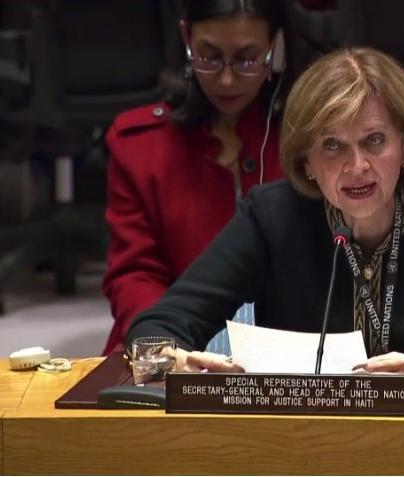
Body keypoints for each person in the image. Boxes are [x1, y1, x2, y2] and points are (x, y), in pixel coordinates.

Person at [126, 47, 404, 390]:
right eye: (332, 146)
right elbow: (158, 325)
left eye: (374, 141)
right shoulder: (271, 218)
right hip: (300, 438)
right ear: (306, 162)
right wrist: (173, 361)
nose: (357, 166)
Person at [102, 0, 287, 354]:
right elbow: (135, 274)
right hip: (171, 338)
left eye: (247, 60)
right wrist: (162, 345)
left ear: (274, 48)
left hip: (289, 347)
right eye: (209, 57)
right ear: (187, 38)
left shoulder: (313, 137)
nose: (227, 79)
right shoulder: (139, 143)